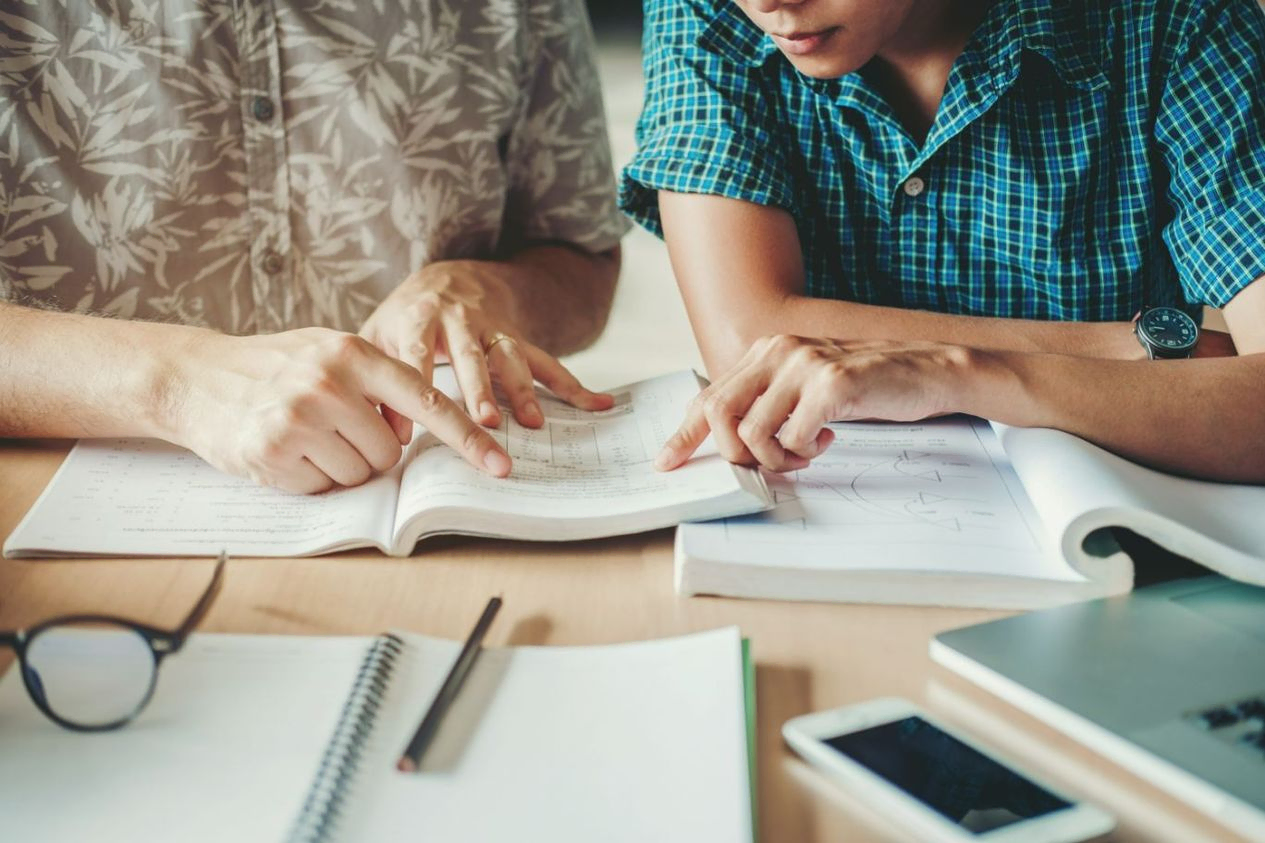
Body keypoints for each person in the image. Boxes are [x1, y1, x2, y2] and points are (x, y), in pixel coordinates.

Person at [621, 0, 1265, 483]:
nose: (771, 4)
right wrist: (1126, 348)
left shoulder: (1176, 20)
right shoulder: (702, 9)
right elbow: (746, 341)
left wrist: (955, 373)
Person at [0, 0, 629, 493]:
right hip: (66, 507)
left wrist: (487, 290)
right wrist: (179, 385)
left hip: (421, 489)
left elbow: (581, 255)